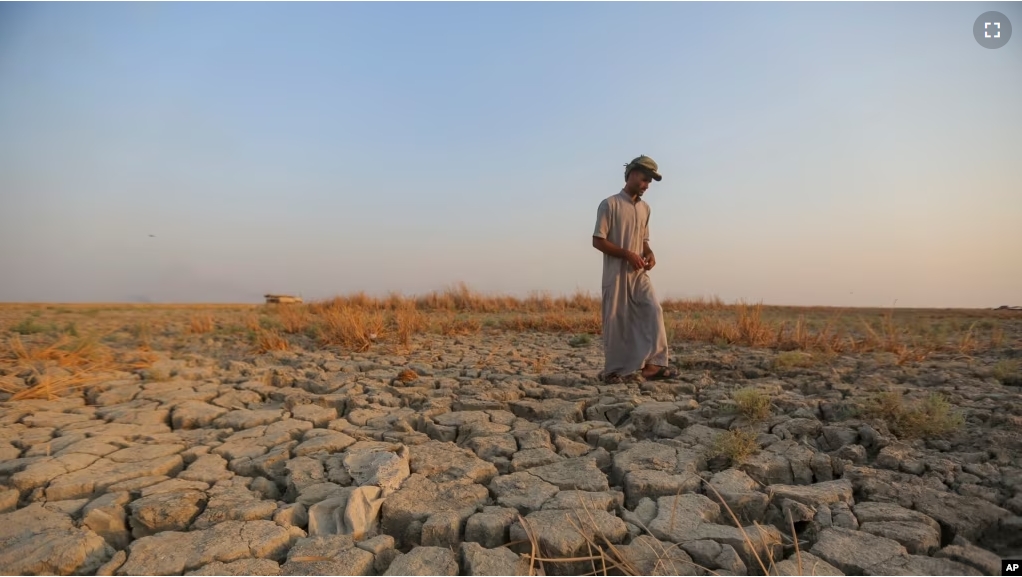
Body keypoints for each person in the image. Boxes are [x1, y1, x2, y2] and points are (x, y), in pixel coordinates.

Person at [592, 155, 677, 384]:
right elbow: (598, 240)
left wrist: (648, 252)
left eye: (649, 182)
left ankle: (654, 365)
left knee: (653, 309)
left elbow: (643, 240)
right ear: (630, 174)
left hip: (639, 273)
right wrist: (626, 254)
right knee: (618, 320)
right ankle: (614, 372)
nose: (646, 185)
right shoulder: (609, 204)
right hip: (616, 273)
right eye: (644, 178)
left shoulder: (645, 209)